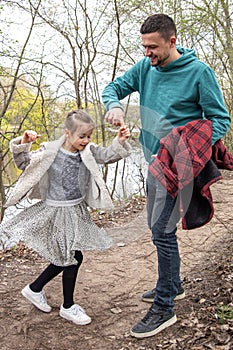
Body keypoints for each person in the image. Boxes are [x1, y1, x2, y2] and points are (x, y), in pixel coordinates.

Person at [102, 13, 231, 338]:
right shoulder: (145, 67)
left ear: (172, 41)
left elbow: (220, 119)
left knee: (161, 230)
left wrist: (187, 144)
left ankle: (164, 307)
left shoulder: (199, 72)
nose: (147, 53)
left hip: (179, 165)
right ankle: (172, 284)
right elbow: (114, 87)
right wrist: (114, 105)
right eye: (144, 46)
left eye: (153, 47)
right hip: (152, 162)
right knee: (158, 227)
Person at [0, 109, 130, 326]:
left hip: (76, 209)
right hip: (57, 211)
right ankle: (67, 306)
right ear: (67, 133)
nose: (86, 140)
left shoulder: (87, 150)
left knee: (68, 256)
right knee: (70, 257)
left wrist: (119, 141)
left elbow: (108, 156)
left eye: (89, 136)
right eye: (82, 136)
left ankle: (35, 289)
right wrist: (23, 142)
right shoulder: (50, 151)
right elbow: (24, 163)